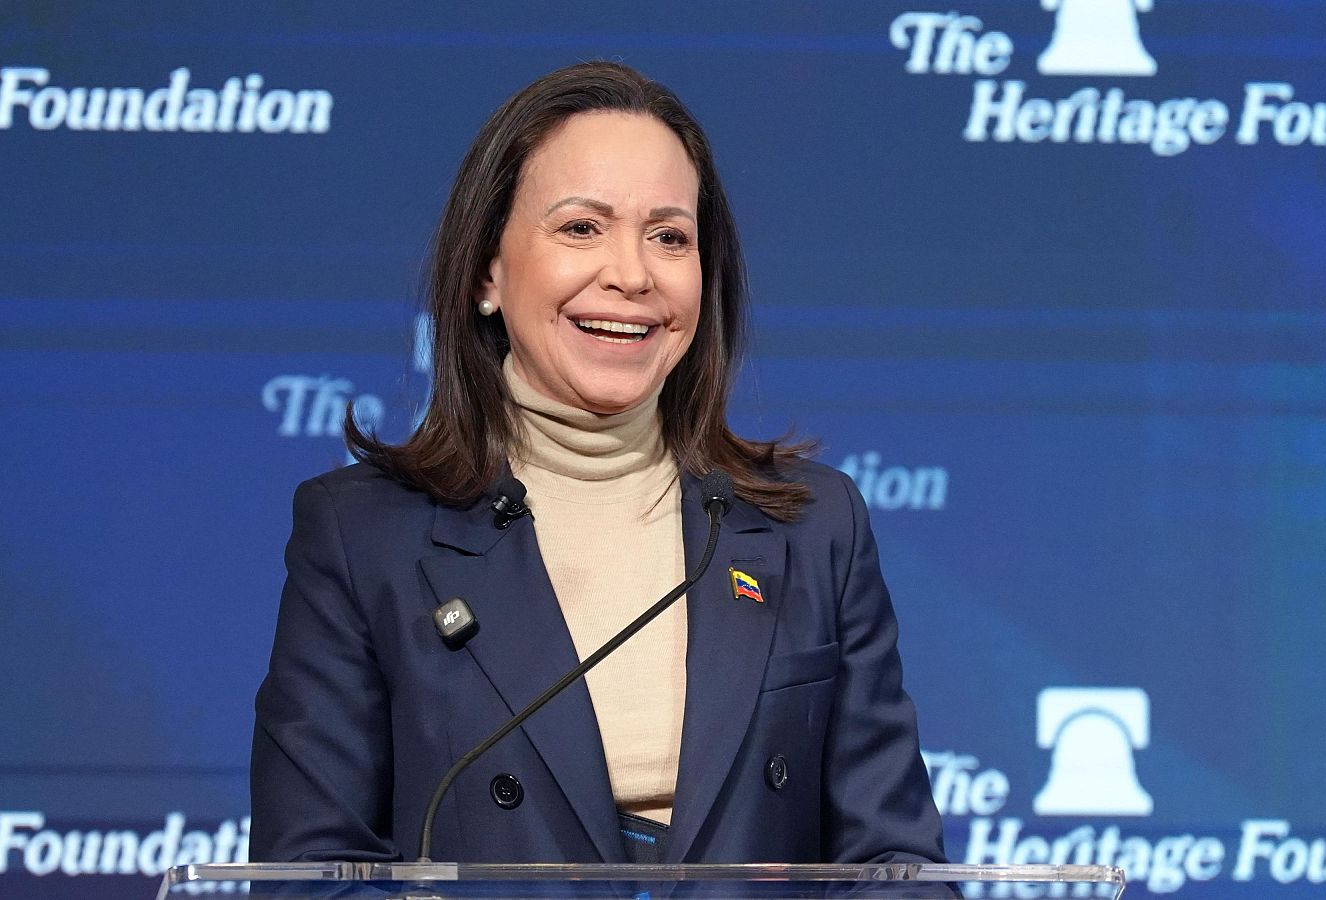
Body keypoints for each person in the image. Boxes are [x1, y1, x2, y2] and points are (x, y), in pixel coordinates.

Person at [249, 61, 945, 866]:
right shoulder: (364, 535)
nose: (632, 274)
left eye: (669, 236)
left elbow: (896, 866)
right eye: (582, 228)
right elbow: (311, 874)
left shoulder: (812, 525)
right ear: (486, 273)